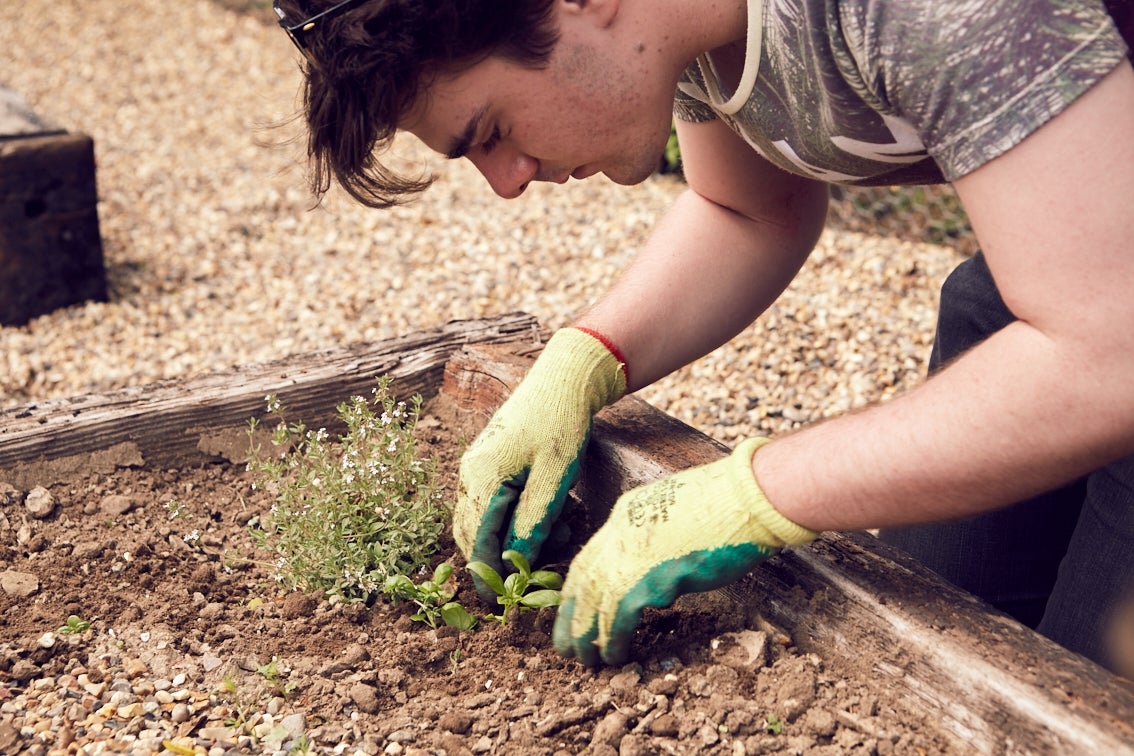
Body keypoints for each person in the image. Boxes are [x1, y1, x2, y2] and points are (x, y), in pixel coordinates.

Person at [272, 0, 1134, 671]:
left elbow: (1107, 353)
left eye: (492, 132)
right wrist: (580, 366)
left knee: (1082, 691)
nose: (507, 182)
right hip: (1081, 262)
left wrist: (756, 491)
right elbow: (748, 209)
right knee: (943, 614)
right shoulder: (675, 35)